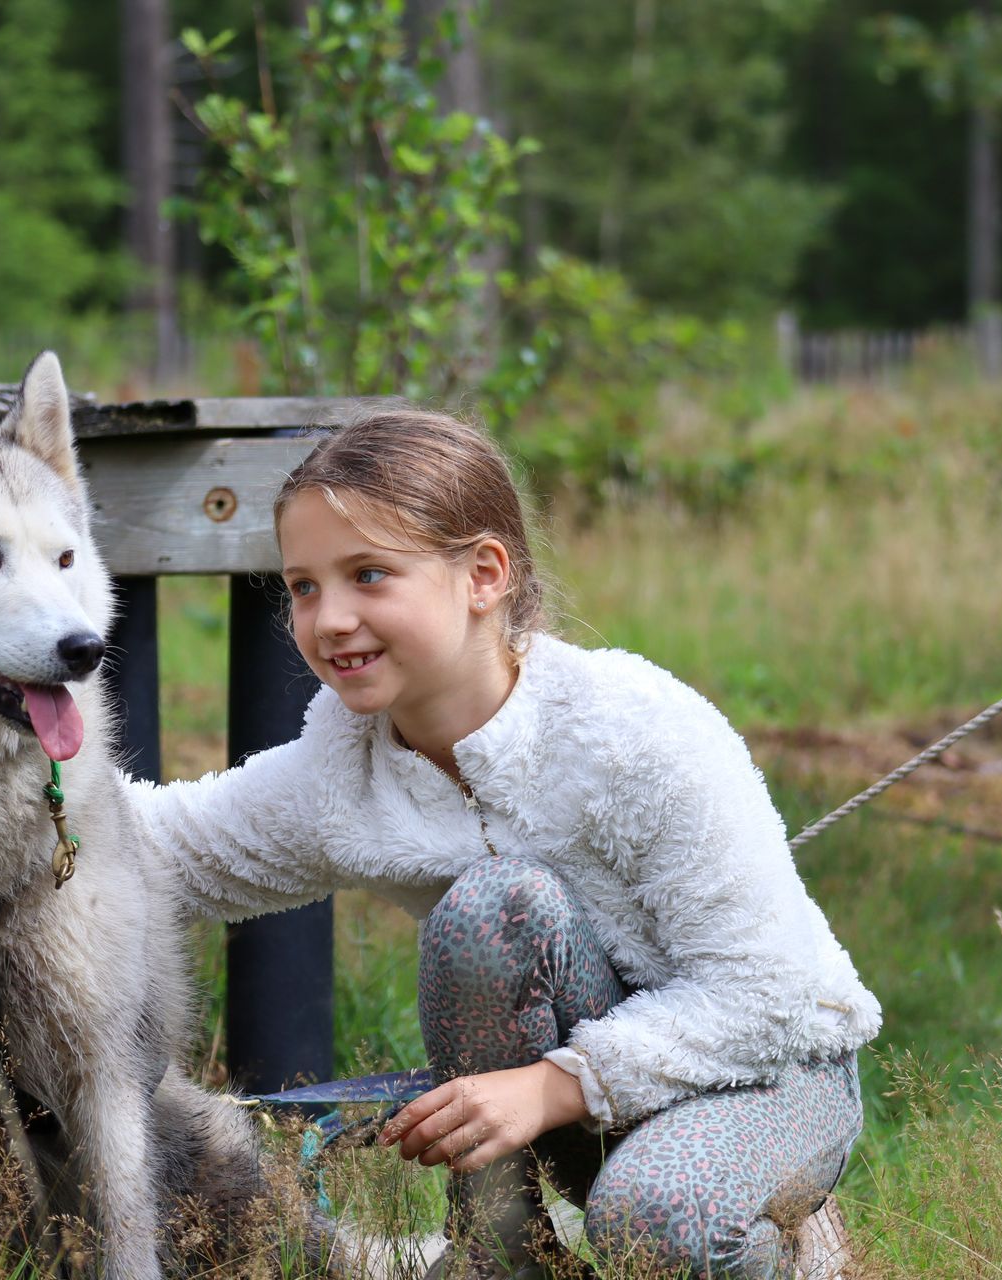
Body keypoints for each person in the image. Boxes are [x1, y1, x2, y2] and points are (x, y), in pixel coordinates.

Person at [131, 409, 881, 1279]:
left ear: (484, 574)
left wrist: (550, 1087)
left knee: (657, 1221)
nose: (329, 618)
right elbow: (155, 846)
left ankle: (799, 1249)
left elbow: (770, 994)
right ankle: (502, 1255)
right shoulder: (343, 768)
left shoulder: (632, 732)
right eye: (302, 586)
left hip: (771, 1071)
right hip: (580, 1103)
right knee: (493, 909)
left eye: (369, 575)